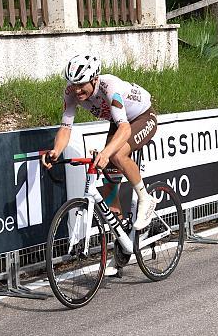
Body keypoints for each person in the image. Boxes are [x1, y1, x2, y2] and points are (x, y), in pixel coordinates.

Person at [42, 54, 159, 230]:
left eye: (81, 85)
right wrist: (56, 151)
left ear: (95, 79)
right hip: (118, 122)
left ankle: (145, 198)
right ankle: (122, 242)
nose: (77, 90)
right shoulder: (70, 93)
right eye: (74, 85)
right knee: (109, 187)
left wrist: (106, 153)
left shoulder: (110, 87)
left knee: (117, 155)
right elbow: (66, 127)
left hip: (142, 117)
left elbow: (125, 129)